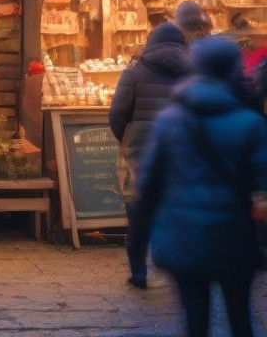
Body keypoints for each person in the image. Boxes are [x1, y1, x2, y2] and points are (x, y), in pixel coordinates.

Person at [136, 36, 267, 337]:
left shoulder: (170, 120)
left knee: (195, 321)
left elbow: (150, 182)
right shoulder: (250, 122)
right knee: (240, 316)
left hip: (183, 235)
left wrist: (141, 241)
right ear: (234, 69)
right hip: (235, 236)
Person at [108, 21, 192, 289]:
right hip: (180, 149)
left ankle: (139, 272)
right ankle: (178, 266)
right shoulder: (194, 73)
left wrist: (129, 140)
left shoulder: (134, 73)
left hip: (141, 149)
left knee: (139, 211)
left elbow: (117, 114)